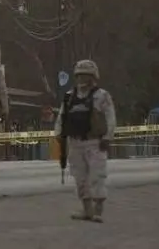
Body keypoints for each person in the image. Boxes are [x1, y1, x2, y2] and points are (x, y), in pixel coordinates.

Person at [55, 59, 117, 223]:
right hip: (75, 143)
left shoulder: (101, 95)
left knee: (97, 176)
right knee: (80, 177)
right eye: (80, 76)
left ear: (93, 77)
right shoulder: (69, 96)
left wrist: (107, 137)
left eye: (86, 76)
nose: (82, 79)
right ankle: (86, 209)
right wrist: (59, 135)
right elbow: (62, 117)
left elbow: (110, 118)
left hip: (95, 142)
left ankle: (98, 210)